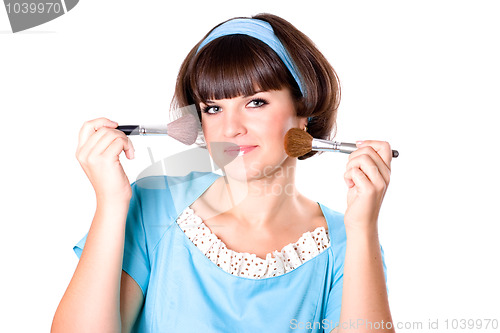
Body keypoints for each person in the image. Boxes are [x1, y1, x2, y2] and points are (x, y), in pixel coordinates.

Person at [52, 13, 395, 333]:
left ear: (303, 110)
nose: (230, 128)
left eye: (255, 102)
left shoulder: (347, 242)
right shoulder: (154, 207)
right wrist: (111, 203)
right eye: (213, 108)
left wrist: (363, 228)